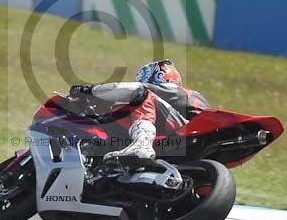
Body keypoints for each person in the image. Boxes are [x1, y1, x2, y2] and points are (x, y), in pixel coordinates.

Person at [69, 59, 209, 167]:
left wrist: (89, 91)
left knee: (143, 95)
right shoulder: (176, 99)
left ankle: (142, 144)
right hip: (182, 142)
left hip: (186, 133)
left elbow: (136, 90)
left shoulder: (171, 91)